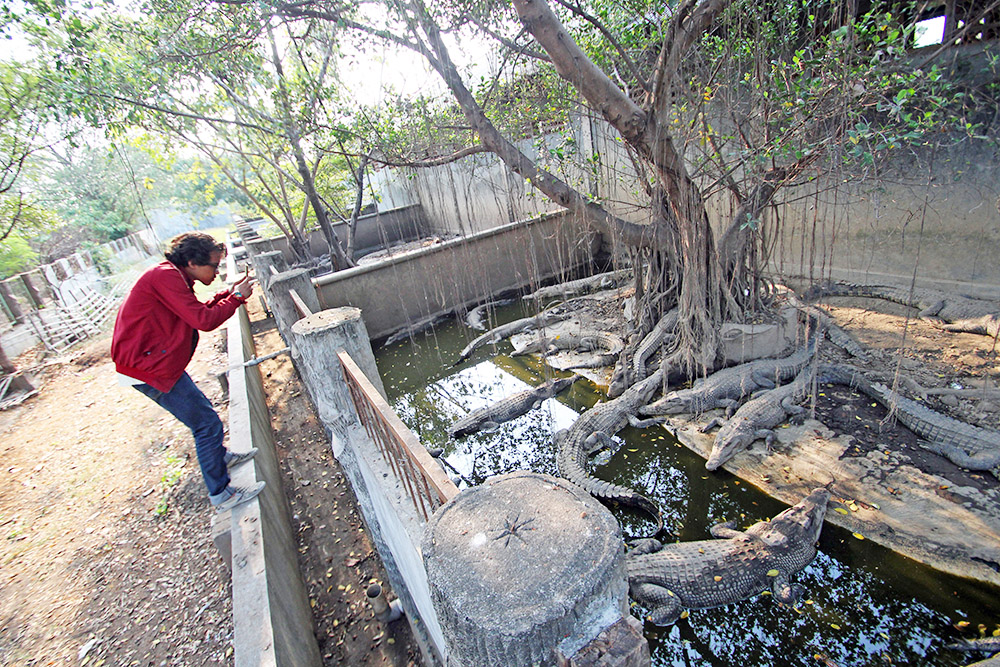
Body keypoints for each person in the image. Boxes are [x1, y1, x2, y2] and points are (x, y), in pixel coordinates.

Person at [112, 232, 265, 511]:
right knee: (206, 425)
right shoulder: (165, 277)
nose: (216, 271)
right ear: (193, 262)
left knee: (204, 414)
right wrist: (236, 298)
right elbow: (203, 320)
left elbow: (194, 310)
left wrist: (229, 295)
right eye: (213, 265)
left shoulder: (173, 275)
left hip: (152, 362)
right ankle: (221, 494)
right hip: (146, 368)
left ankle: (220, 457)